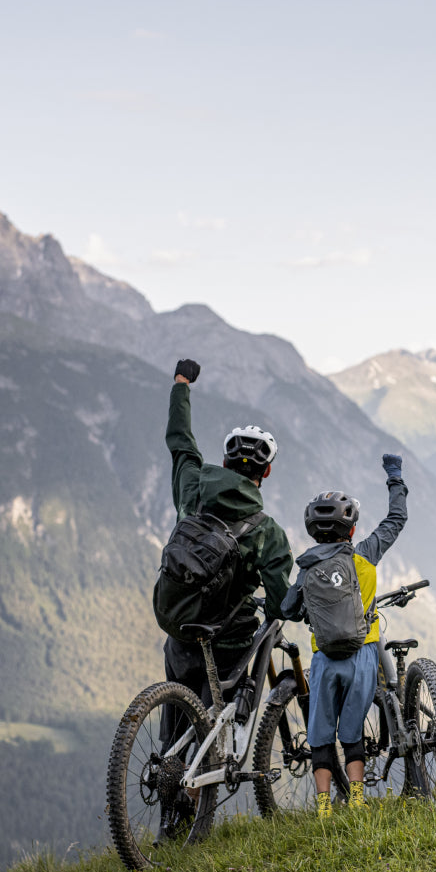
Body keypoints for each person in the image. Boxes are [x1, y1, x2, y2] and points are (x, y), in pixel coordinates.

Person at [156, 358, 293, 839]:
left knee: (178, 718)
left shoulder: (193, 488)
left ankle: (169, 815)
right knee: (223, 711)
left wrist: (181, 385)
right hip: (227, 639)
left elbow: (180, 441)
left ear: (227, 460)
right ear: (266, 472)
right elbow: (279, 603)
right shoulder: (267, 533)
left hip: (178, 628)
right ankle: (203, 792)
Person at [280, 455, 408, 817]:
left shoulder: (307, 569)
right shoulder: (364, 554)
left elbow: (288, 609)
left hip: (324, 660)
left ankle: (322, 809)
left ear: (312, 531)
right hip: (364, 656)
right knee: (352, 732)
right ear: (350, 530)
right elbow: (396, 520)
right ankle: (356, 801)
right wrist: (394, 476)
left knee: (321, 733)